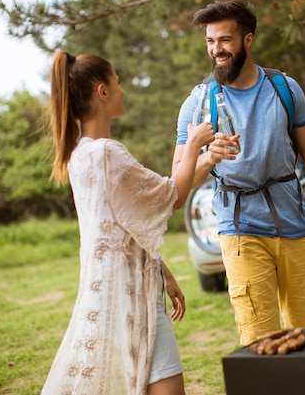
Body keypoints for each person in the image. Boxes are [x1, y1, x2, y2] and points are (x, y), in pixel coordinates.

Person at [173, 0, 305, 346]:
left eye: (225, 40)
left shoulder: (285, 89)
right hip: (240, 228)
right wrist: (208, 158)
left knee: (304, 335)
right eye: (210, 42)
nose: (216, 50)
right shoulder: (199, 103)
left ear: (248, 39)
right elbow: (178, 184)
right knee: (260, 340)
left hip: (295, 224)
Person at [41, 51, 214, 395]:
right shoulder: (107, 152)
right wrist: (194, 143)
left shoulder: (81, 154)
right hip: (132, 293)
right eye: (118, 82)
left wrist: (162, 271)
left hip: (111, 288)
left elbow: (118, 228)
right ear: (102, 91)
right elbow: (172, 195)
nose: (123, 89)